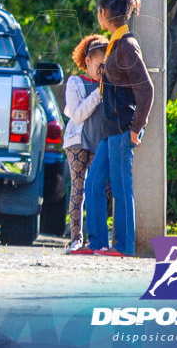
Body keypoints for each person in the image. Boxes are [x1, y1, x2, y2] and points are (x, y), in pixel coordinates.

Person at [84, 0, 154, 257]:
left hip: (123, 127)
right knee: (94, 183)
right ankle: (97, 243)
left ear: (104, 13)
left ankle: (123, 247)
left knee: (121, 188)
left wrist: (137, 128)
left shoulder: (126, 45)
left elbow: (146, 89)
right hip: (109, 127)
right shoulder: (114, 43)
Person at [63, 34, 108, 254]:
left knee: (99, 190)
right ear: (87, 61)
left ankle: (97, 239)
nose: (102, 71)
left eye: (106, 66)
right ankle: (75, 239)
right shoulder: (75, 83)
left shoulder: (110, 84)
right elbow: (78, 115)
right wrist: (99, 93)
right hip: (78, 143)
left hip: (100, 143)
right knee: (78, 189)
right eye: (100, 65)